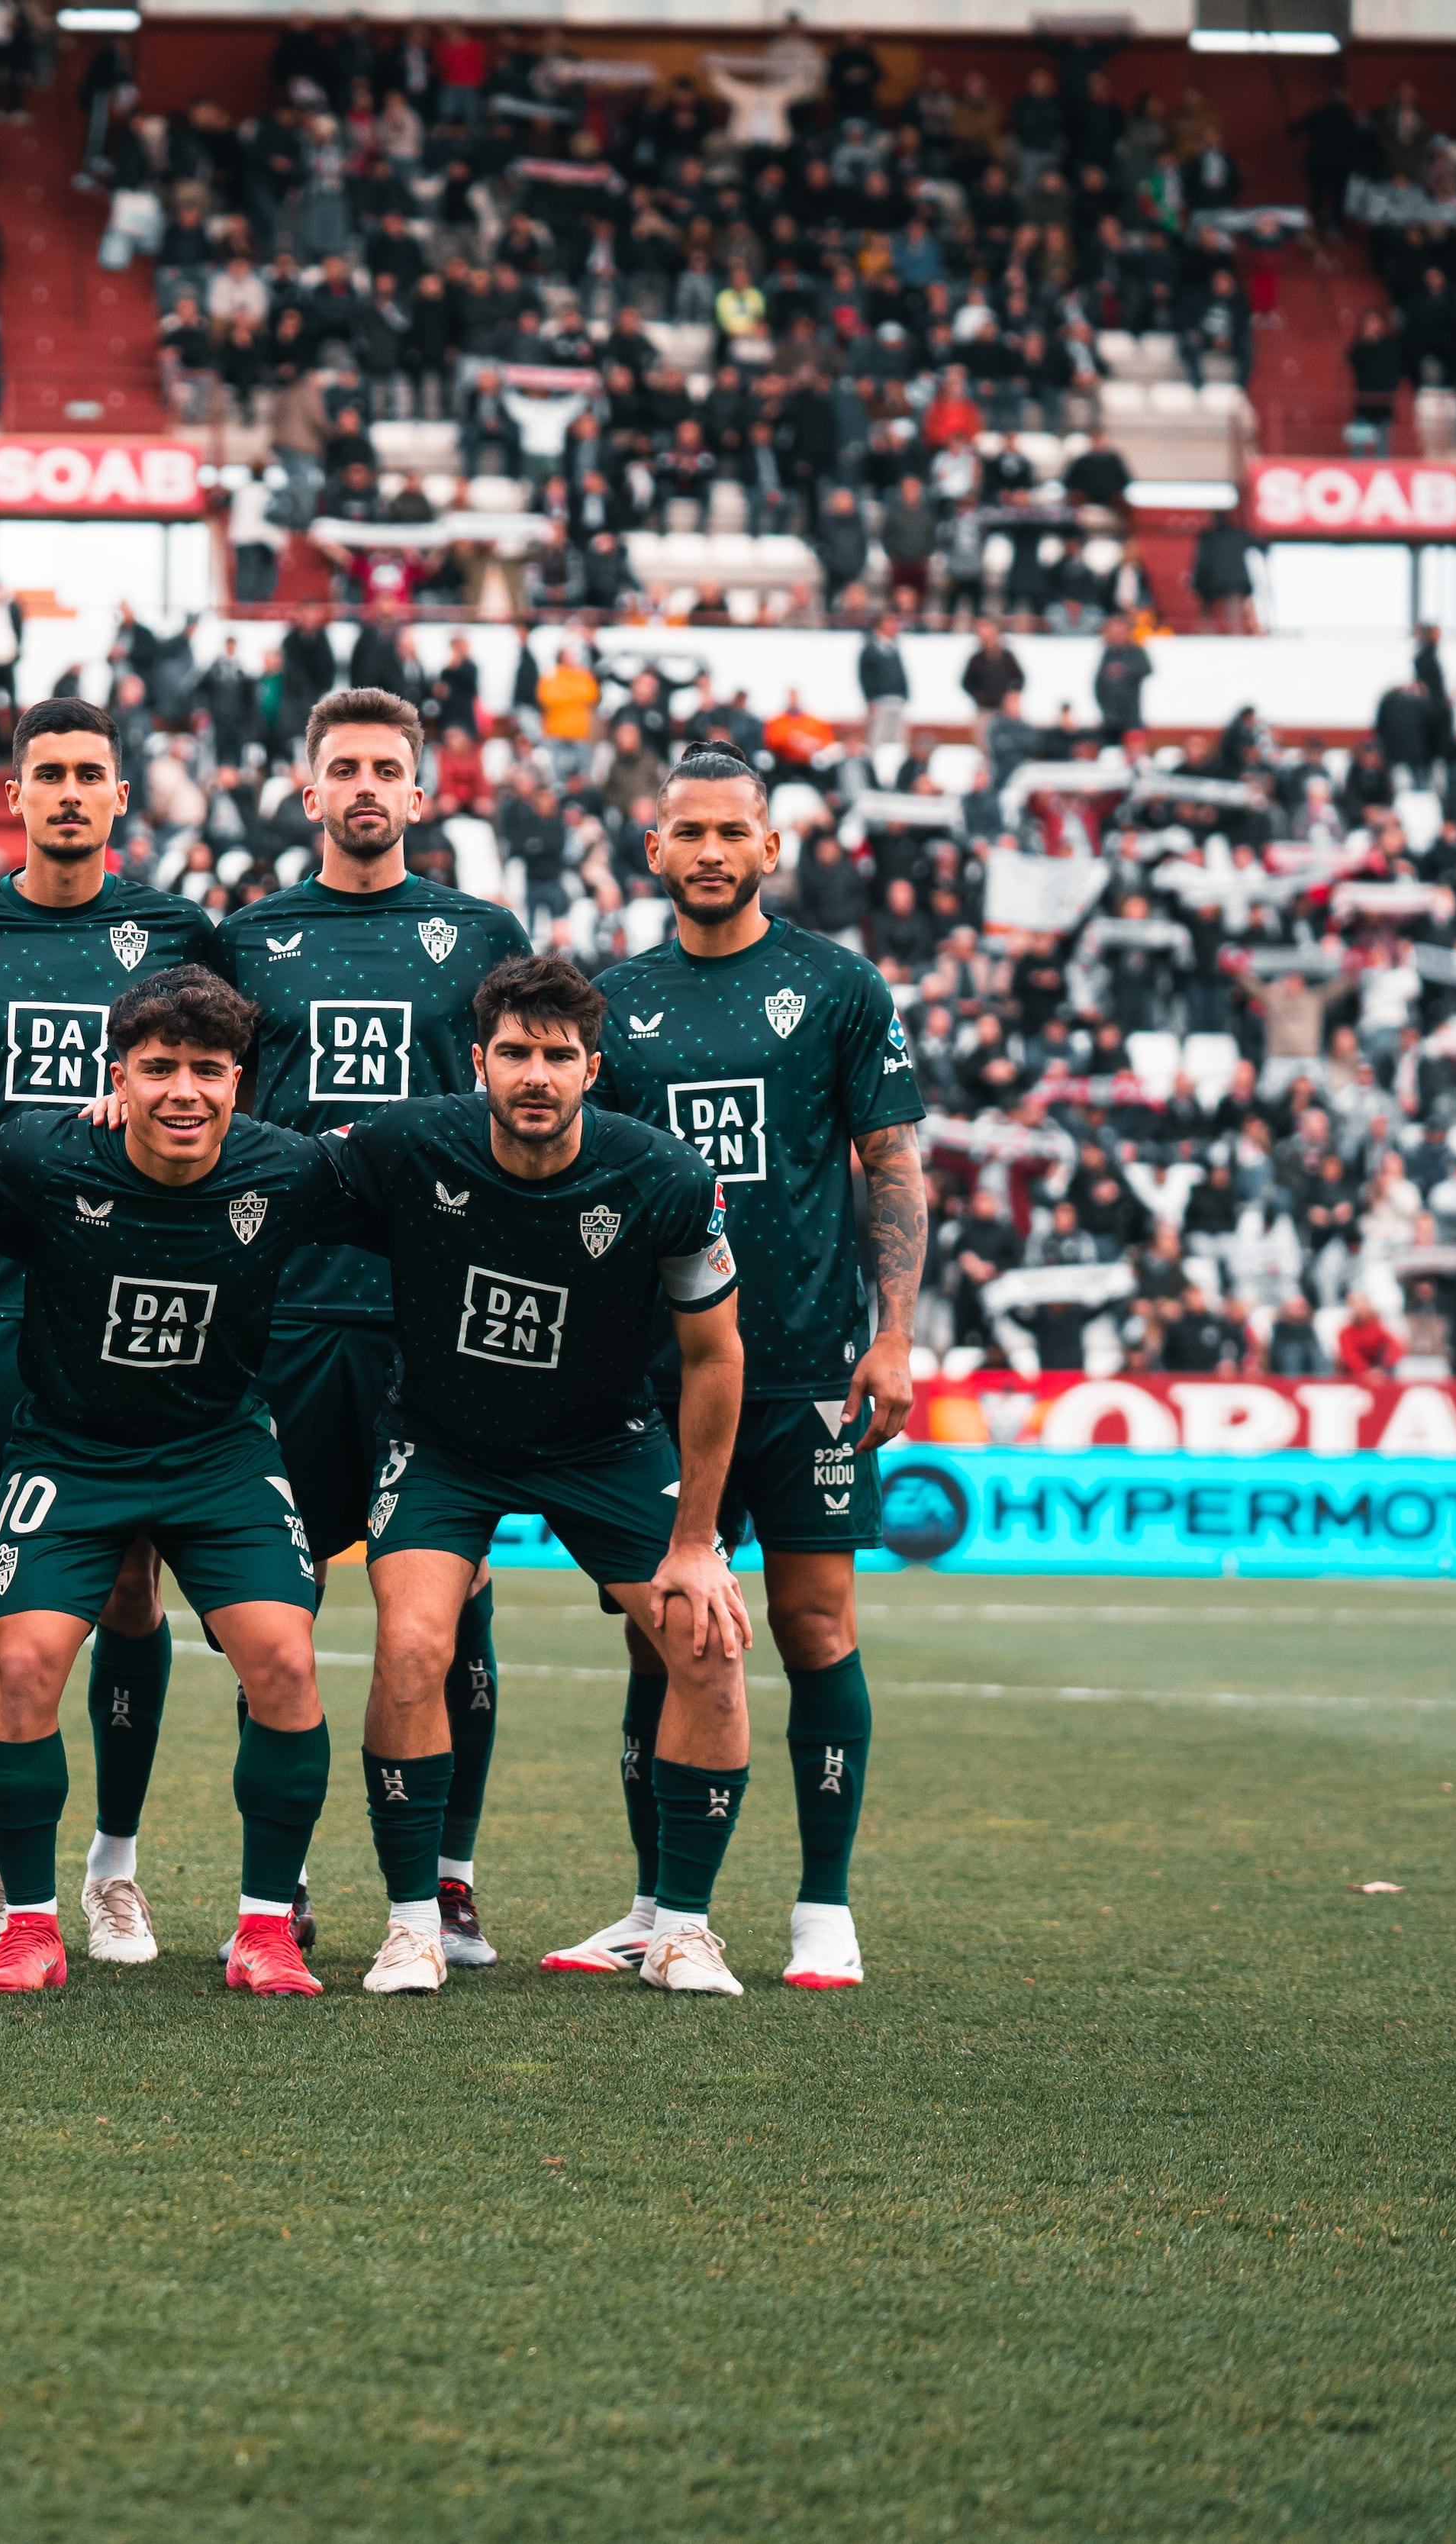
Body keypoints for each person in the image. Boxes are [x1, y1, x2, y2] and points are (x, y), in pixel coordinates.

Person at [559, 749, 926, 1991]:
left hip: (812, 1368)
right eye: (687, 832)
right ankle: (660, 1903)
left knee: (813, 1625)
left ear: (772, 848)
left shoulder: (838, 986)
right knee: (660, 1637)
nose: (710, 851)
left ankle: (824, 1910)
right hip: (655, 1380)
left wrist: (896, 1332)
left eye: (733, 831)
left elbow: (892, 1162)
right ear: (651, 851)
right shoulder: (614, 1004)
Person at [333, 953, 757, 1996]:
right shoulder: (405, 1141)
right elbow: (261, 1172)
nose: (535, 1074)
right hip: (444, 1442)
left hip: (603, 1442)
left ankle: (683, 1929)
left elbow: (715, 1355)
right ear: (478, 1061)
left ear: (592, 1068)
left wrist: (696, 1543)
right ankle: (411, 1923)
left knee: (706, 1640)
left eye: (557, 1055)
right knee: (412, 1643)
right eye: (515, 1052)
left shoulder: (660, 1175)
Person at [0, 698, 218, 1962]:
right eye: (47, 776)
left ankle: (114, 1871)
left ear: (122, 796)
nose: (69, 793)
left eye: (91, 775)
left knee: (131, 1573)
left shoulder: (179, 933)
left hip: (140, 1296)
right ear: (8, 797)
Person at [0, 965, 359, 1997]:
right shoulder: (46, 1150)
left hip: (219, 1450)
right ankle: (29, 1929)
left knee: (285, 1658)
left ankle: (265, 1928)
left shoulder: (293, 1169)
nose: (185, 1091)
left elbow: (427, 1168)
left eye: (209, 1071)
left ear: (241, 1083)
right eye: (159, 1069)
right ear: (117, 1077)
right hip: (70, 1450)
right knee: (25, 1662)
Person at [210, 685, 529, 1972]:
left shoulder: (478, 931)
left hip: (434, 1321)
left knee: (454, 1609)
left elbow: (524, 1097)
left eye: (386, 767)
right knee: (271, 1614)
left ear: (420, 790)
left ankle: (446, 1882)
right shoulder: (247, 937)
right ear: (307, 790)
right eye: (341, 765)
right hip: (286, 1314)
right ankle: (273, 1897)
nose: (364, 785)